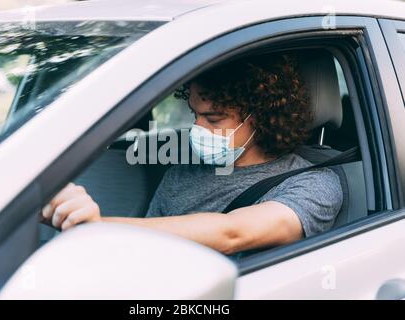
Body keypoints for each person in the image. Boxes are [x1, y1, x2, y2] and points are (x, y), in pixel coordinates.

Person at [41, 53, 343, 256]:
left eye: (213, 119)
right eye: (194, 115)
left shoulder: (314, 183)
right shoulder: (184, 170)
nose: (196, 128)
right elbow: (149, 249)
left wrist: (98, 229)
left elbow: (233, 233)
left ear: (261, 117)